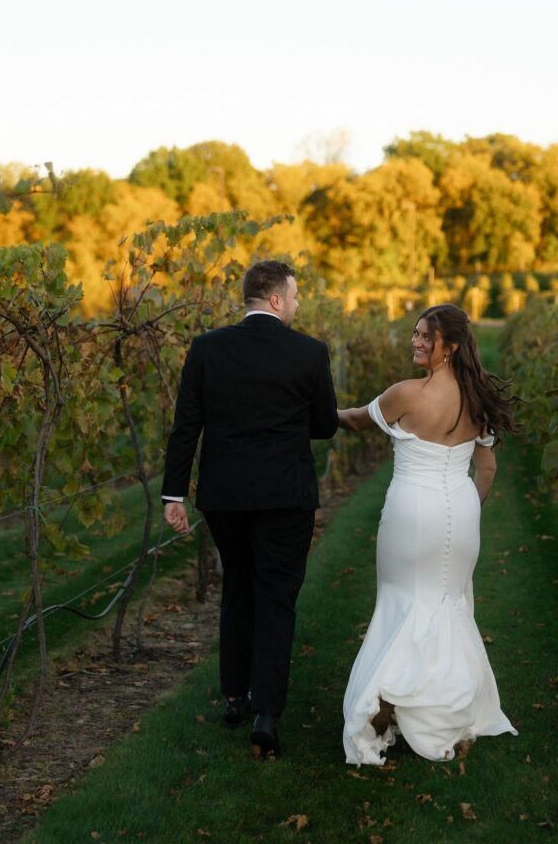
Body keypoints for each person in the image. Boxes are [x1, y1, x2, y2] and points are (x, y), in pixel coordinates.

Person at [161, 260, 338, 758]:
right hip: (285, 495)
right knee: (276, 596)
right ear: (277, 299)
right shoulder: (309, 353)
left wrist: (174, 495)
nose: (299, 304)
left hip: (226, 496)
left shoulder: (207, 349)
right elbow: (324, 424)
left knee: (238, 586)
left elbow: (185, 426)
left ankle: (235, 697)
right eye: (296, 295)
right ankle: (266, 712)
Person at [338, 303, 518, 766]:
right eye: (415, 333)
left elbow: (356, 420)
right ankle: (442, 706)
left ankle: (386, 697)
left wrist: (317, 407)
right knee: (448, 605)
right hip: (459, 513)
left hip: (411, 512)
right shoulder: (478, 400)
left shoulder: (407, 394)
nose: (416, 341)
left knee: (403, 601)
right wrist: (464, 511)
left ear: (450, 346)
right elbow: (488, 469)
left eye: (426, 337)